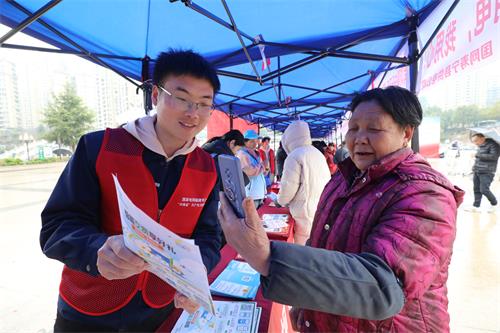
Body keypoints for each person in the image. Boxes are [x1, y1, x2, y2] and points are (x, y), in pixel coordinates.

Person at [218, 86, 464, 332]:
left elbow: (382, 286)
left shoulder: (425, 193)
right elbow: (320, 243)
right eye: (354, 128)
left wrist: (267, 257)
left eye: (374, 128)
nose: (359, 138)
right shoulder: (347, 176)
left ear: (406, 133)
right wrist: (304, 305)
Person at [41, 49, 222, 332]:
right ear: (155, 96)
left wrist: (196, 276)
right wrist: (97, 250)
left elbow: (209, 237)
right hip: (88, 310)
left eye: (203, 103)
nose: (192, 112)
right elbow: (56, 227)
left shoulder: (207, 168)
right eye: (182, 98)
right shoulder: (99, 147)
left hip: (160, 307)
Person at [277, 121, 331, 245]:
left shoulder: (294, 156)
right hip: (320, 207)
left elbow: (288, 188)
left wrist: (280, 201)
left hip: (303, 212)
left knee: (303, 248)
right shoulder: (317, 153)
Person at [465, 133, 499, 212]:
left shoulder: (494, 145)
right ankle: (476, 206)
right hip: (477, 170)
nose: (475, 143)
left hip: (487, 171)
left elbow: (494, 157)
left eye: (476, 141)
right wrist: (473, 168)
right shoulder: (480, 146)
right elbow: (478, 159)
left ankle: (494, 204)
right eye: (474, 142)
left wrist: (478, 155)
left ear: (482, 138)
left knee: (484, 190)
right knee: (476, 189)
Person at [236, 129, 266, 208]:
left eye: (256, 141)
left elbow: (262, 167)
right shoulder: (242, 154)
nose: (255, 143)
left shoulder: (255, 153)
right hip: (251, 194)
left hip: (258, 193)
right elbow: (250, 171)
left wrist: (261, 167)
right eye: (252, 141)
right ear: (245, 142)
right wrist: (262, 167)